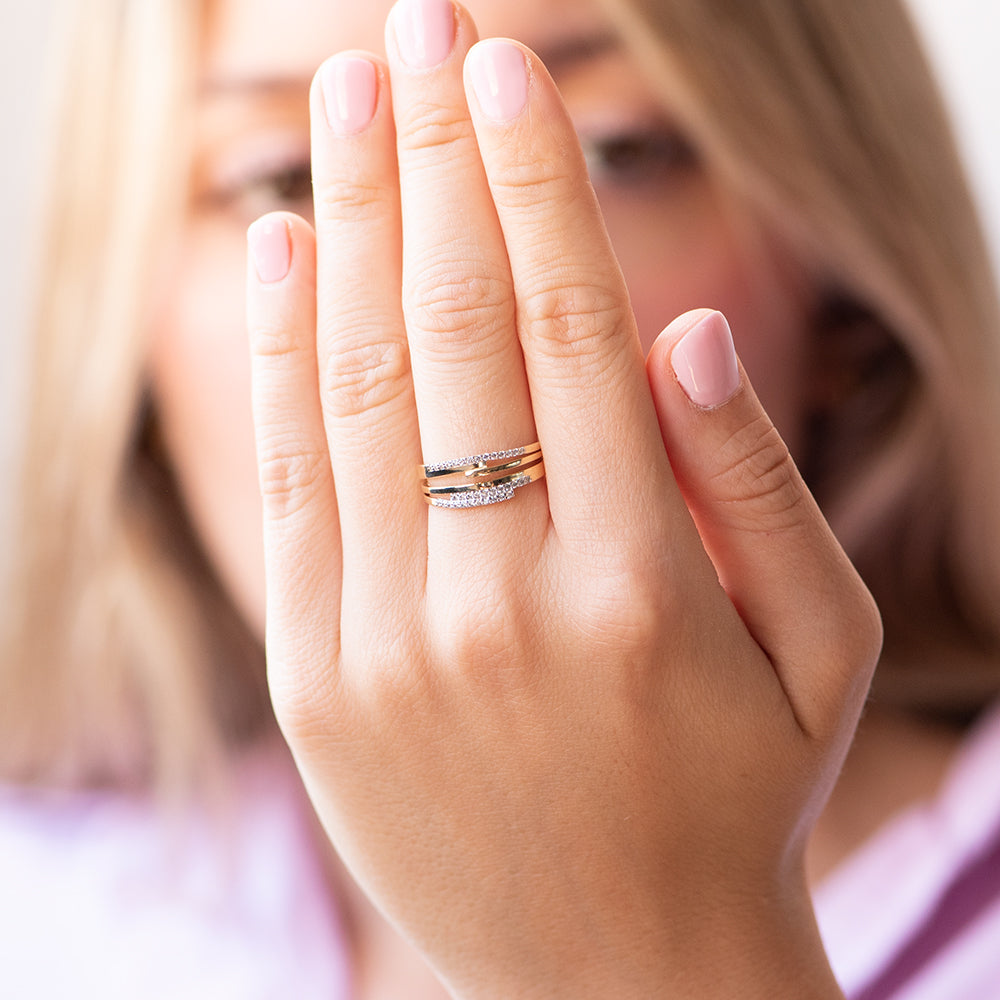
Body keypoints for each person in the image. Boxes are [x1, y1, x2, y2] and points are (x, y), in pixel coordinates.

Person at [2, 0, 999, 996]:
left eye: (610, 151)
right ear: (131, 346)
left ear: (841, 300)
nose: (437, 306)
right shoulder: (45, 912)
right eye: (284, 176)